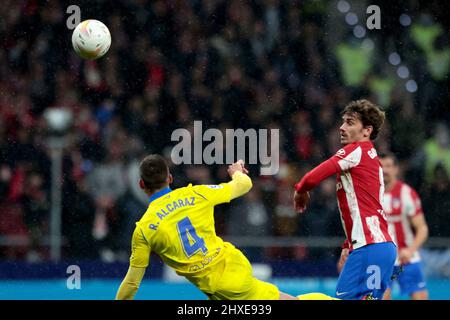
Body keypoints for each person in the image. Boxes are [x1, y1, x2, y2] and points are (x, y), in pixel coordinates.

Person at [116, 154, 335, 300]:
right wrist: (237, 171)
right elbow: (244, 185)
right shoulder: (197, 193)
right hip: (229, 269)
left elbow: (132, 282)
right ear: (170, 178)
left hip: (225, 284)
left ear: (142, 184)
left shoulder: (144, 229)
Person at [293, 99, 397, 300]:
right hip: (381, 247)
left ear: (367, 130)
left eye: (349, 122)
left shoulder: (356, 150)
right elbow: (363, 210)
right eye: (343, 122)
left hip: (369, 248)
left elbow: (314, 175)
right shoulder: (371, 158)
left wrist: (301, 190)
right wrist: (348, 244)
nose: (341, 128)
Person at [379, 152, 429, 300]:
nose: (385, 170)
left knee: (420, 297)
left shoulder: (407, 194)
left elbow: (422, 228)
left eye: (388, 166)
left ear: (396, 169)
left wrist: (411, 249)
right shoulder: (372, 195)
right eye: (381, 166)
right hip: (382, 259)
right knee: (381, 297)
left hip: (407, 258)